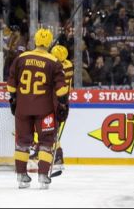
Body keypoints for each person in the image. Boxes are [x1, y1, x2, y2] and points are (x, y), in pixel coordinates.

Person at [7, 28, 68, 190]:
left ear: (34, 41)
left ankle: (21, 176)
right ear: (49, 43)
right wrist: (63, 104)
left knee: (22, 141)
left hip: (22, 107)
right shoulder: (53, 62)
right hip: (45, 109)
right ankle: (43, 176)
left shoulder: (21, 58)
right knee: (46, 141)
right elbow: (61, 89)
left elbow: (11, 85)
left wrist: (13, 100)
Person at [50, 44, 73, 178]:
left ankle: (58, 155)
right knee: (53, 129)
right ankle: (55, 154)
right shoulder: (68, 64)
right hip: (65, 101)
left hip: (55, 101)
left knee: (50, 129)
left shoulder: (56, 68)